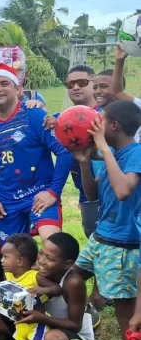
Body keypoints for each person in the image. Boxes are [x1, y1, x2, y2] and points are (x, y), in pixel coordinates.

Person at [0, 64, 73, 243]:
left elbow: (64, 152)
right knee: (14, 258)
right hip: (7, 203)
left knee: (52, 245)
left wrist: (53, 192)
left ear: (18, 89)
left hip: (39, 196)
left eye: (4, 83)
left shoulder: (34, 115)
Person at [73, 100, 141, 340]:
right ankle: (81, 324)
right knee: (72, 278)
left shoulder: (136, 153)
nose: (94, 125)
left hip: (122, 244)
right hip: (101, 237)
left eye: (99, 120)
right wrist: (83, 162)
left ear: (113, 125)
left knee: (127, 314)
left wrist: (102, 147)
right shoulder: (113, 156)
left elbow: (123, 191)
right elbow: (92, 195)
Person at [43, 65, 99, 238]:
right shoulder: (60, 119)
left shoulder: (107, 114)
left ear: (93, 85)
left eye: (82, 82)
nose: (75, 87)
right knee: (93, 240)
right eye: (70, 84)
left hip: (113, 190)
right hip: (86, 193)